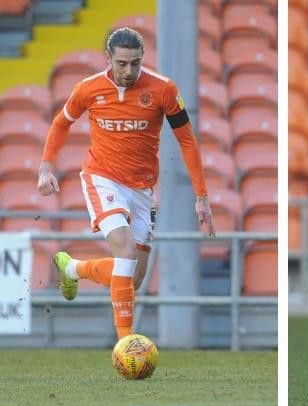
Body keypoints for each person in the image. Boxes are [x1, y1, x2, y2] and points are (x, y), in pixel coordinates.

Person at [37, 27, 215, 340]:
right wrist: (46, 168)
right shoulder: (88, 89)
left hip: (143, 190)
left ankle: (72, 269)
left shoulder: (163, 89)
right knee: (125, 251)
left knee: (132, 279)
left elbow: (187, 141)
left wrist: (201, 197)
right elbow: (61, 123)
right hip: (101, 178)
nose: (128, 70)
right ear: (108, 59)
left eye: (135, 63)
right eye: (121, 63)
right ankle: (127, 345)